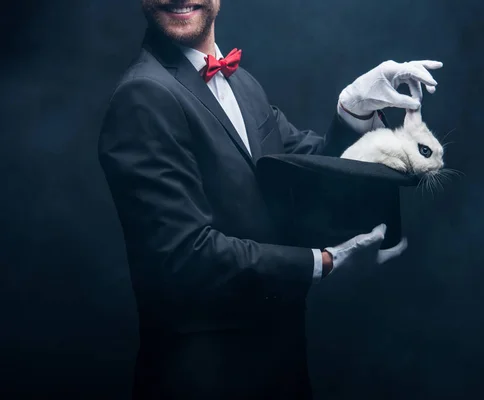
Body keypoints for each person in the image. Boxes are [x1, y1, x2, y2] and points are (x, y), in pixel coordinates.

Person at [98, 1, 442, 398]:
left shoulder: (242, 82)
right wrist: (320, 262)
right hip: (202, 380)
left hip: (279, 367)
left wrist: (353, 111)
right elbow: (181, 256)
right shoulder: (143, 94)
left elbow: (302, 169)